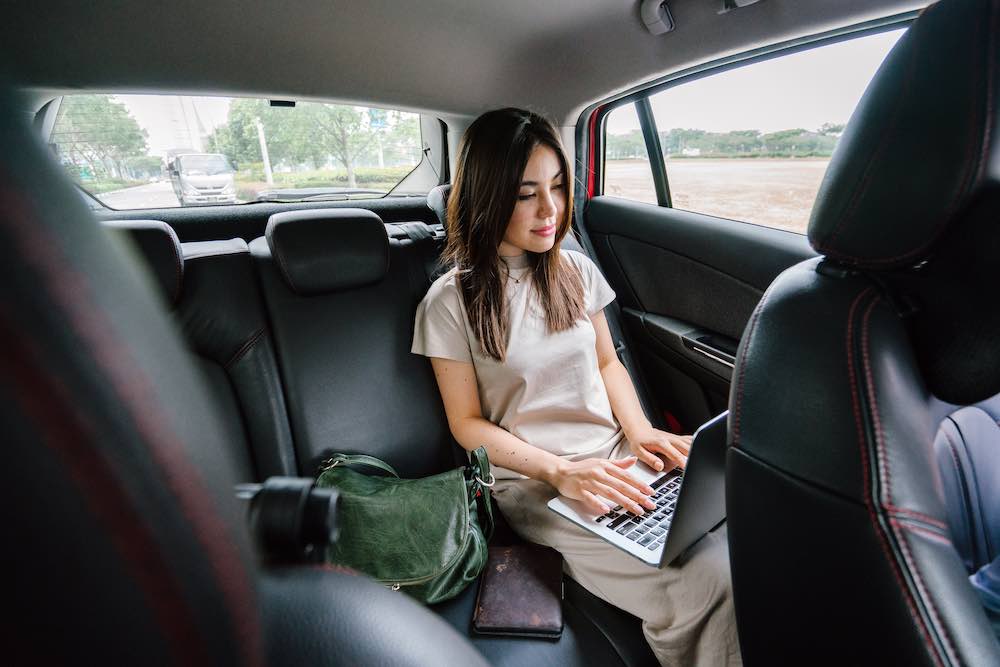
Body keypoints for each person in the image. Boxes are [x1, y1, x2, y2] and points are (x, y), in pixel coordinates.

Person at [411, 107, 740, 666]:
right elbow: (466, 424)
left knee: (747, 528)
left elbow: (609, 364)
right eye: (525, 194)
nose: (551, 210)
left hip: (615, 457)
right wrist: (560, 472)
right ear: (489, 197)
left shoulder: (576, 269)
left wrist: (642, 433)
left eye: (559, 187)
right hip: (537, 486)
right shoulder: (450, 301)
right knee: (706, 586)